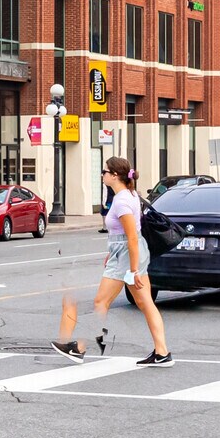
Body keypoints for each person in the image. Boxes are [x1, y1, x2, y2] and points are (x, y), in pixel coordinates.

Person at [53, 155, 171, 366]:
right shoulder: (129, 195)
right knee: (145, 303)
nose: (102, 175)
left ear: (115, 176)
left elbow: (131, 238)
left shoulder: (123, 201)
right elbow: (129, 234)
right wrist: (114, 252)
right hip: (125, 252)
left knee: (101, 302)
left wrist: (133, 270)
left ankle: (79, 348)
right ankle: (162, 353)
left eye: (105, 172)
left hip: (127, 255)